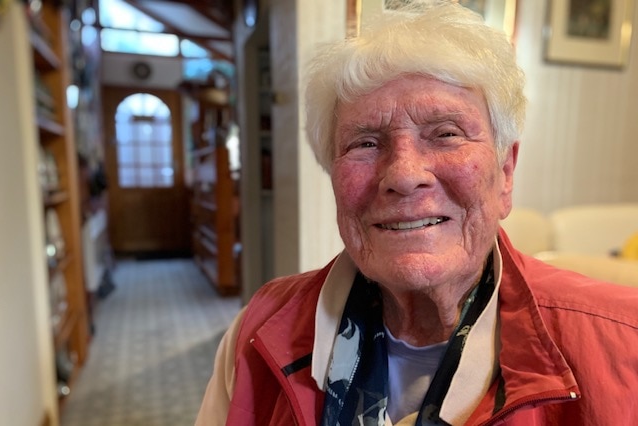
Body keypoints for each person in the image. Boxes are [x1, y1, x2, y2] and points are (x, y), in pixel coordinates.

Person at [196, 1, 638, 424]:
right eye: (365, 143)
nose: (405, 175)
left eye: (445, 134)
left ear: (505, 174)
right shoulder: (257, 331)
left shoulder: (625, 344)